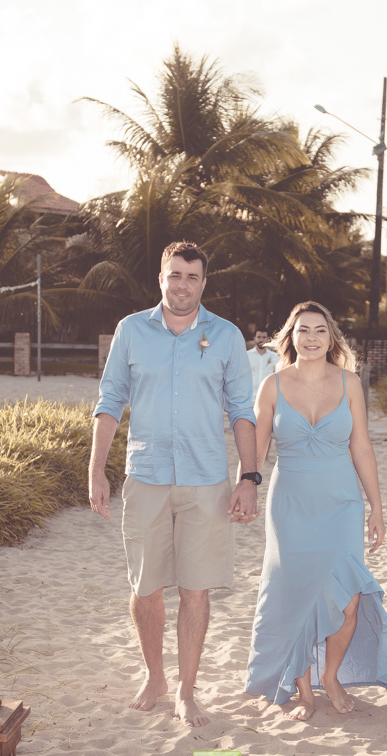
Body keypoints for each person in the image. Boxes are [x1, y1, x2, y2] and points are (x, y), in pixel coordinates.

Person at [88, 241, 261, 728]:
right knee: (145, 589)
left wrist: (248, 478)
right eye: (175, 275)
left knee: (195, 590)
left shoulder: (225, 337)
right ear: (160, 278)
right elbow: (109, 401)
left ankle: (187, 689)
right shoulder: (130, 331)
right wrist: (95, 469)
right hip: (145, 477)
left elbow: (242, 411)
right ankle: (154, 675)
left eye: (192, 277)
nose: (182, 284)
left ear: (204, 283)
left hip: (207, 481)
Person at [245, 301, 387, 720]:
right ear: (291, 337)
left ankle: (333, 676)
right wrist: (244, 486)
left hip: (341, 502)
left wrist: (376, 508)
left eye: (321, 330)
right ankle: (304, 690)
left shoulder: (351, 383)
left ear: (331, 338)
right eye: (303, 330)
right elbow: (257, 449)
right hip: (290, 503)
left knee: (349, 596)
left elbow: (362, 447)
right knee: (295, 596)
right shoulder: (272, 386)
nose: (312, 337)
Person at [247, 326, 277, 398]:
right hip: (250, 397)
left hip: (267, 397)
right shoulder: (247, 355)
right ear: (254, 338)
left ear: (268, 339)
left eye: (264, 337)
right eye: (259, 337)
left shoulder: (275, 357)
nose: (261, 340)